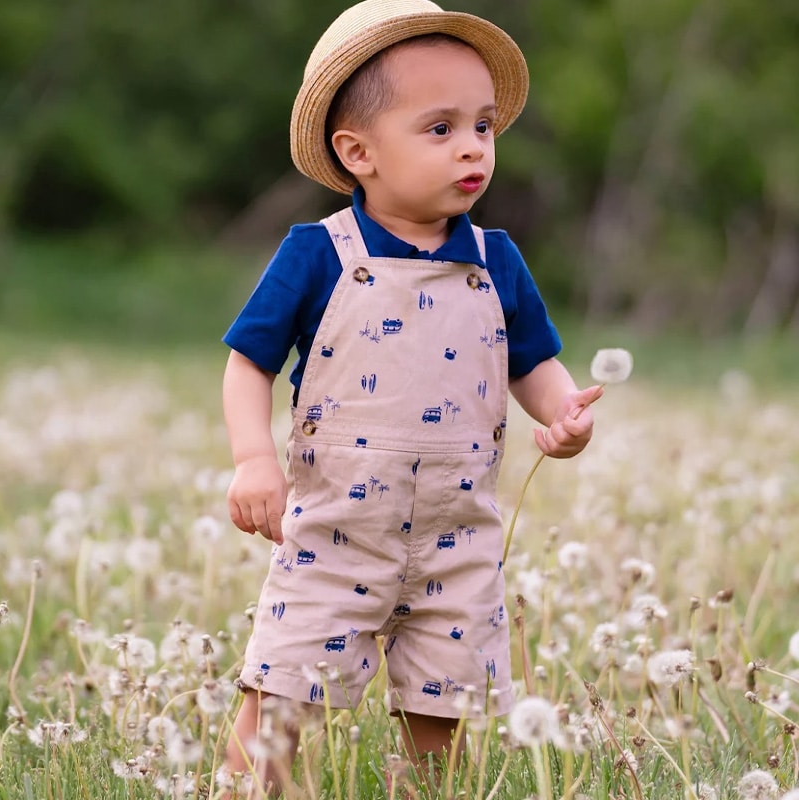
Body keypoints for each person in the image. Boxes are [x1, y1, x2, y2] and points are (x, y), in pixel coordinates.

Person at [221, 0, 601, 793]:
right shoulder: (319, 253)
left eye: (484, 127)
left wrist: (563, 414)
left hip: (457, 537)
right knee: (283, 700)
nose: (473, 148)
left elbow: (532, 361)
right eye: (440, 129)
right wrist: (255, 459)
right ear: (358, 151)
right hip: (336, 533)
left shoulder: (498, 261)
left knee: (442, 719)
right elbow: (248, 362)